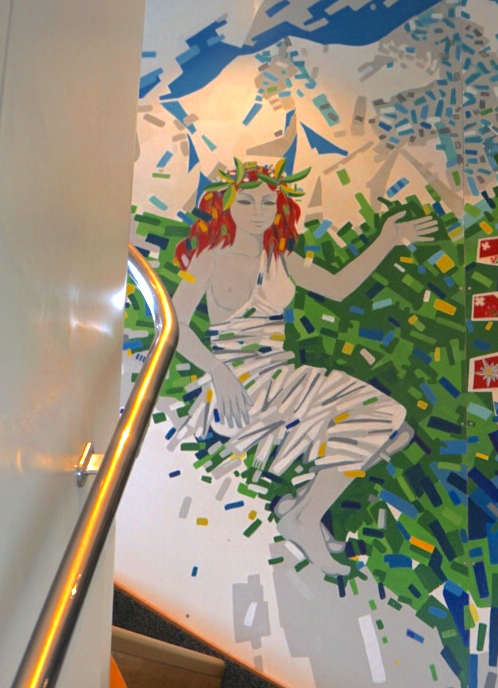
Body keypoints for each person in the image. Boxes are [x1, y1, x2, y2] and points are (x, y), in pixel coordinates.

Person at [170, 157, 434, 575]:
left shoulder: (282, 258)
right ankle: (304, 517)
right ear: (227, 205)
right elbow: (173, 325)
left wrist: (388, 239)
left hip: (283, 374)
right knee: (381, 420)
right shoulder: (209, 258)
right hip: (241, 383)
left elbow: (340, 286)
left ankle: (302, 511)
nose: (258, 212)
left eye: (267, 203)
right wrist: (217, 371)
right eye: (247, 202)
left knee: (393, 428)